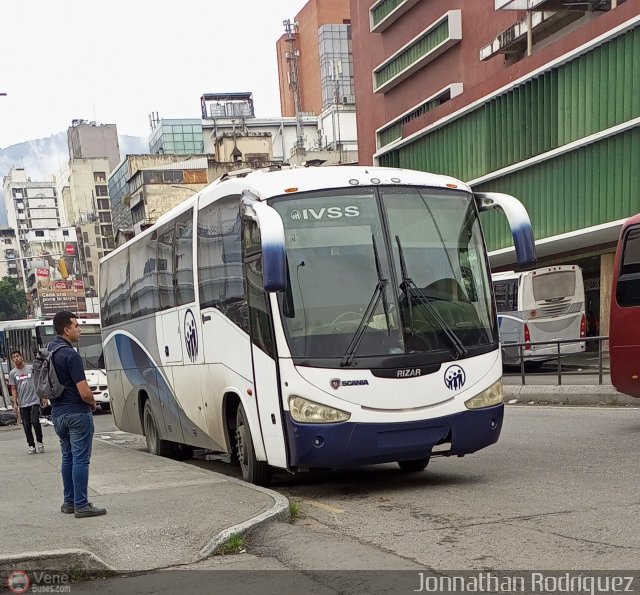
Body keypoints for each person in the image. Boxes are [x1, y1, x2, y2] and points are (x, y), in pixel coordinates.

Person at [49, 310, 106, 519]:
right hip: (76, 413)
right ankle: (82, 504)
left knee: (67, 457)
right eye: (76, 326)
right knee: (81, 459)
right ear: (66, 330)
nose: (79, 330)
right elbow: (84, 391)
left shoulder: (49, 351)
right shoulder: (70, 355)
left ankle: (69, 502)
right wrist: (93, 403)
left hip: (57, 413)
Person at [9, 350, 45, 454]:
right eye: (14, 357)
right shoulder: (13, 373)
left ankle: (40, 442)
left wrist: (42, 396)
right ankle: (31, 445)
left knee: (35, 421)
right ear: (12, 360)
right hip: (23, 403)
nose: (16, 358)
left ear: (22, 357)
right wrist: (15, 403)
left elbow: (39, 381)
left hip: (34, 400)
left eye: (17, 356)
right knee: (26, 425)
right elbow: (14, 389)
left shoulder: (31, 368)